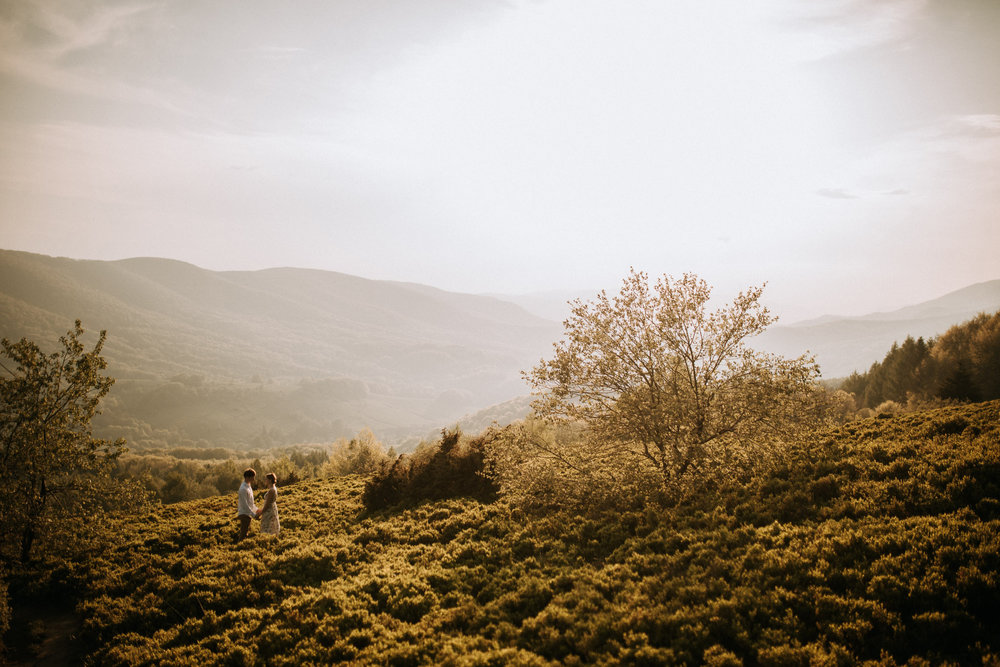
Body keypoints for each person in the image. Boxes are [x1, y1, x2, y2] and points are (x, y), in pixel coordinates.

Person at [236, 468, 259, 540]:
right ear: (248, 477)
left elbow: (250, 502)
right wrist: (253, 514)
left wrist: (257, 510)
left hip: (247, 514)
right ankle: (240, 547)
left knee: (245, 532)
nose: (253, 479)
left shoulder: (248, 486)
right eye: (252, 477)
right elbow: (245, 505)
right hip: (244, 514)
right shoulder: (243, 489)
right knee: (243, 533)